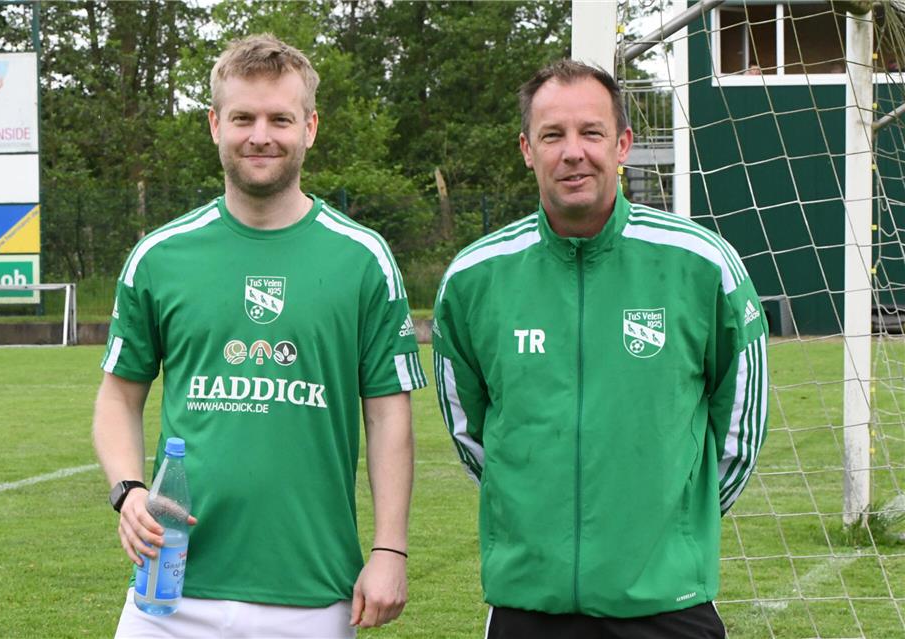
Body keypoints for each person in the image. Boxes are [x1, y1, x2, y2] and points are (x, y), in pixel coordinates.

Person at [93, 33, 426, 639]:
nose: (260, 135)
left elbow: (387, 416)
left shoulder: (363, 258)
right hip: (168, 589)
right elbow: (118, 396)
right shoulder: (160, 255)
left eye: (281, 118)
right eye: (243, 117)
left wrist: (390, 550)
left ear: (311, 127)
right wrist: (128, 491)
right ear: (215, 124)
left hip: (311, 595)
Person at [432, 59, 768, 638]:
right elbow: (470, 431)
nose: (573, 152)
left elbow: (740, 422)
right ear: (526, 149)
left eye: (591, 132)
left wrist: (674, 524)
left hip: (667, 599)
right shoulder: (473, 277)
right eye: (552, 135)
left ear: (623, 145)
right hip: (528, 603)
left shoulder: (703, 264)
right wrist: (533, 511)